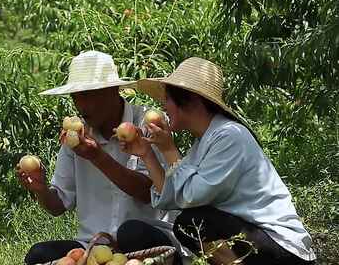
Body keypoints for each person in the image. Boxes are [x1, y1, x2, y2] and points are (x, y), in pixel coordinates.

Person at [120, 57, 316, 264]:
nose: (163, 106)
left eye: (167, 98)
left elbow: (191, 198)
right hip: (256, 240)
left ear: (191, 101)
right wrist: (147, 154)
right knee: (187, 224)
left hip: (282, 244)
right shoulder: (206, 141)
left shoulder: (229, 136)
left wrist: (169, 149)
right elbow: (171, 198)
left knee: (191, 223)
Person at [17, 51, 187, 265]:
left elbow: (147, 193)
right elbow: (59, 205)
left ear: (113, 91)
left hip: (144, 242)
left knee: (131, 232)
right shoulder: (76, 140)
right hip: (94, 247)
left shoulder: (145, 124)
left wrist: (97, 156)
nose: (81, 105)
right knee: (39, 255)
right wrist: (40, 189)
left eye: (88, 95)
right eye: (75, 96)